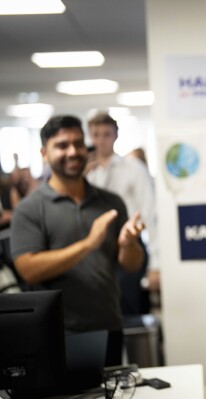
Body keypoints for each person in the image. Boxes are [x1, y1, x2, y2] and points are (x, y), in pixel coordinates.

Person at [10, 115, 145, 366]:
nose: (73, 151)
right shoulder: (30, 209)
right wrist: (87, 244)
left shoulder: (110, 202)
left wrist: (129, 245)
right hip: (56, 333)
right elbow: (28, 269)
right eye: (62, 145)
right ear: (44, 153)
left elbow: (131, 265)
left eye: (78, 143)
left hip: (108, 325)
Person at [86, 113, 159, 315]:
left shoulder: (133, 168)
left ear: (115, 136)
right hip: (96, 251)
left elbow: (151, 214)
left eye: (106, 134)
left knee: (128, 308)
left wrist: (156, 264)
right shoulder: (85, 174)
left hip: (129, 245)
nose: (101, 140)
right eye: (96, 135)